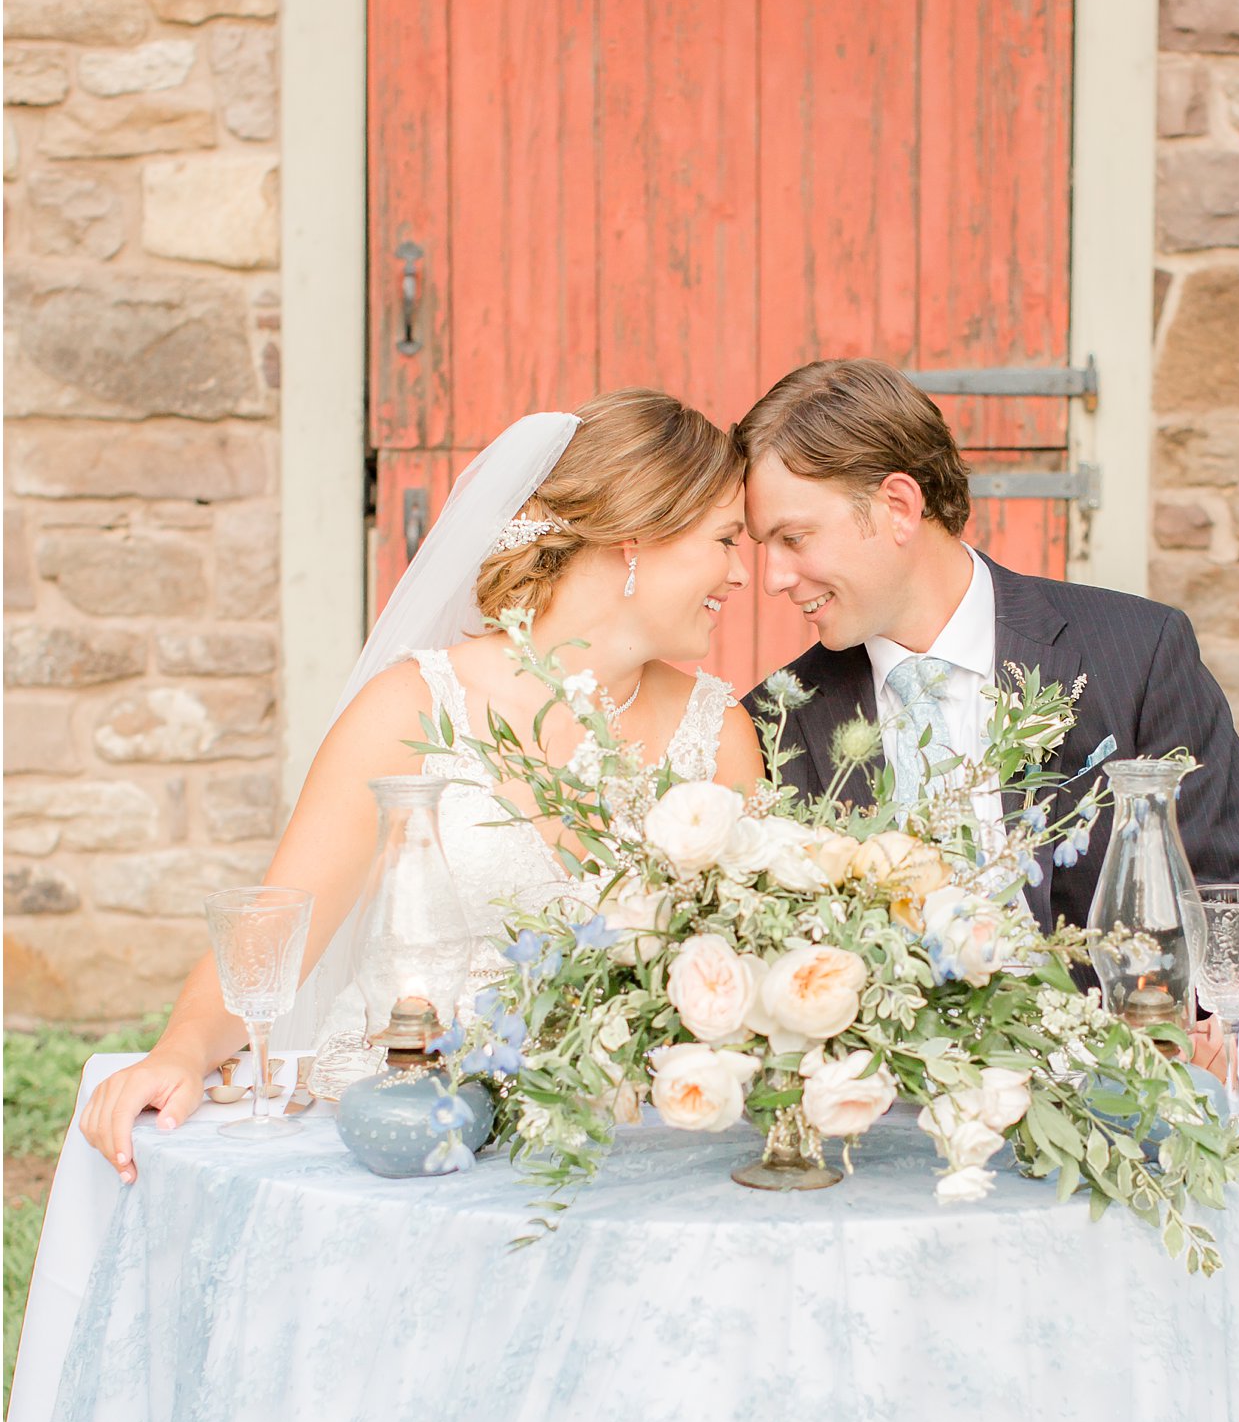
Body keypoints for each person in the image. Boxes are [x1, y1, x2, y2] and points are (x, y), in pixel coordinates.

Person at [82, 391, 763, 1180]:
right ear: (636, 538)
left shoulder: (718, 733)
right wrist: (178, 1050)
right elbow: (279, 932)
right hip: (404, 1130)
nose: (742, 572)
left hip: (633, 1149)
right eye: (724, 540)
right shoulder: (410, 707)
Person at [736, 358, 1239, 1089]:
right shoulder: (777, 719)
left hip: (1112, 1110)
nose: (770, 577)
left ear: (899, 506)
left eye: (793, 538)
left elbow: (1238, 878)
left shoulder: (1136, 652)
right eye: (759, 546)